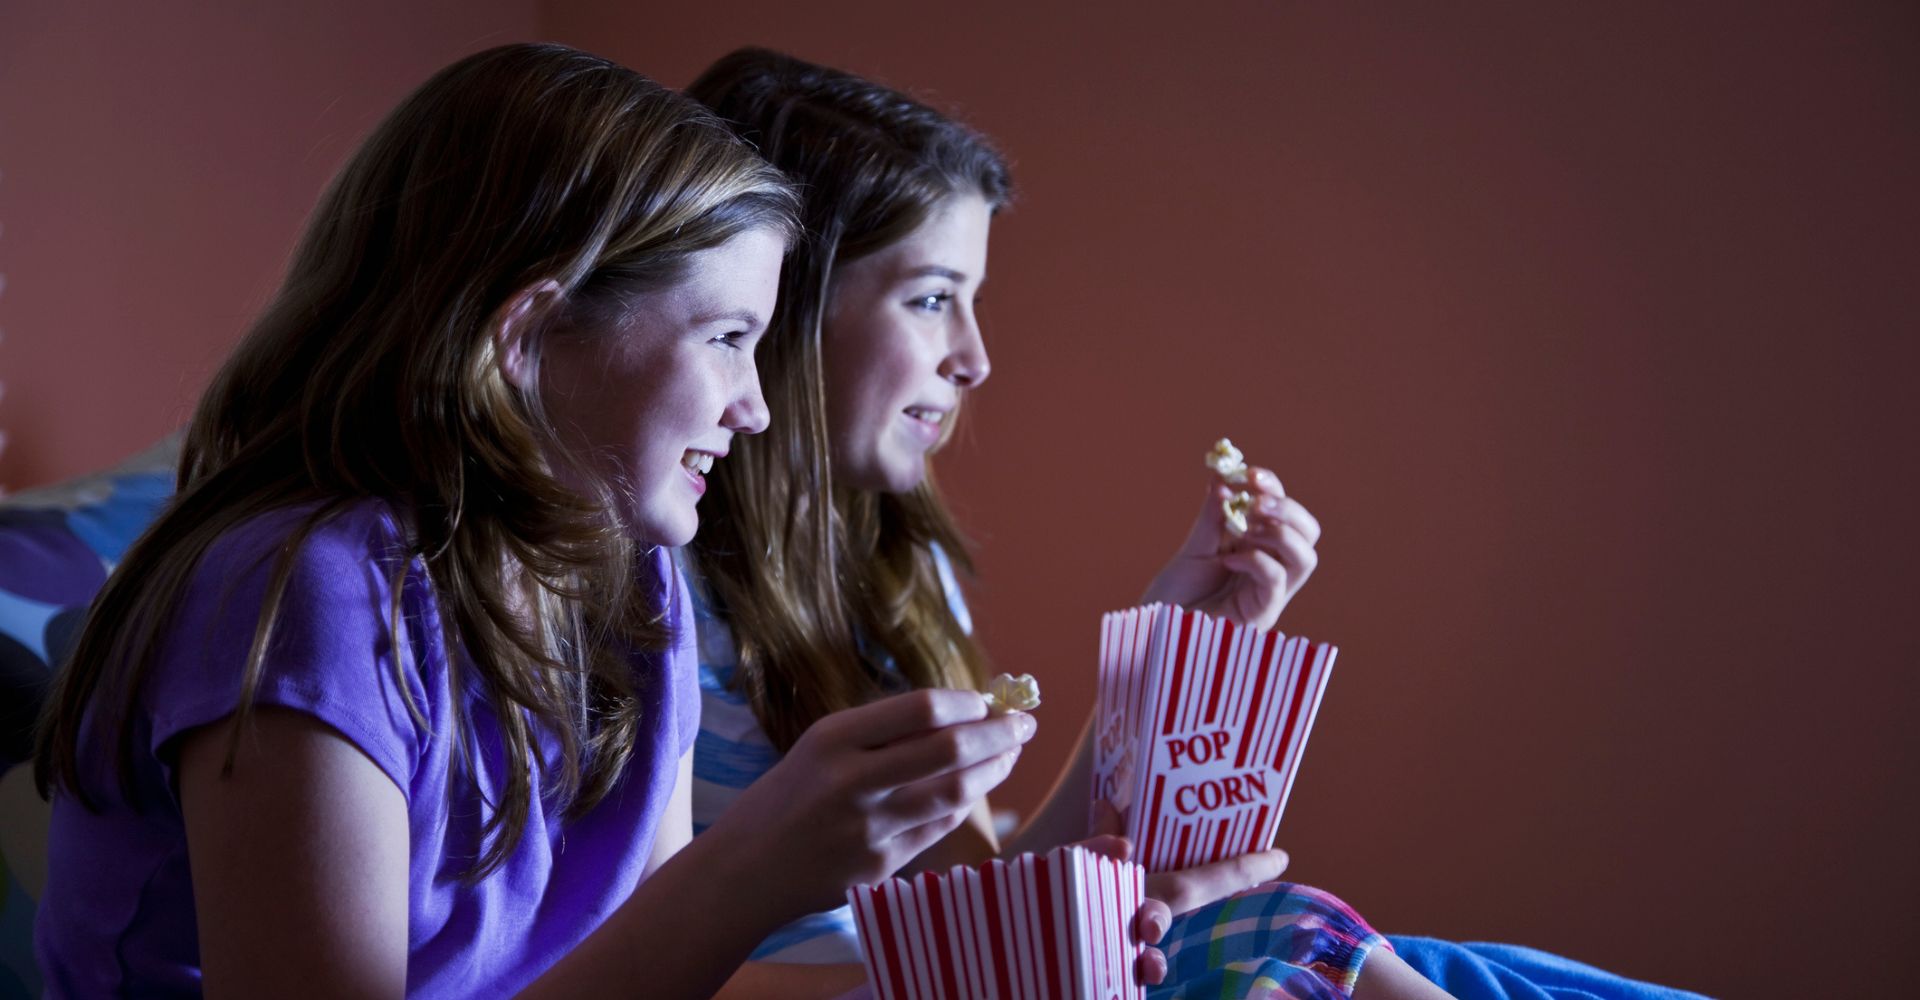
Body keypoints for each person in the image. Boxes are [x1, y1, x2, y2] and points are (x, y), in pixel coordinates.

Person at [682, 48, 1709, 1000]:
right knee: (1303, 936)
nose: (976, 357)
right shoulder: (663, 601)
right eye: (932, 298)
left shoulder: (898, 575)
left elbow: (990, 894)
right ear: (781, 299)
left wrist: (1169, 646)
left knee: (1481, 973)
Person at [30, 43, 1049, 998]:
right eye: (728, 338)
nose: (756, 407)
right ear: (526, 334)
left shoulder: (632, 579)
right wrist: (753, 869)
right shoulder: (312, 594)